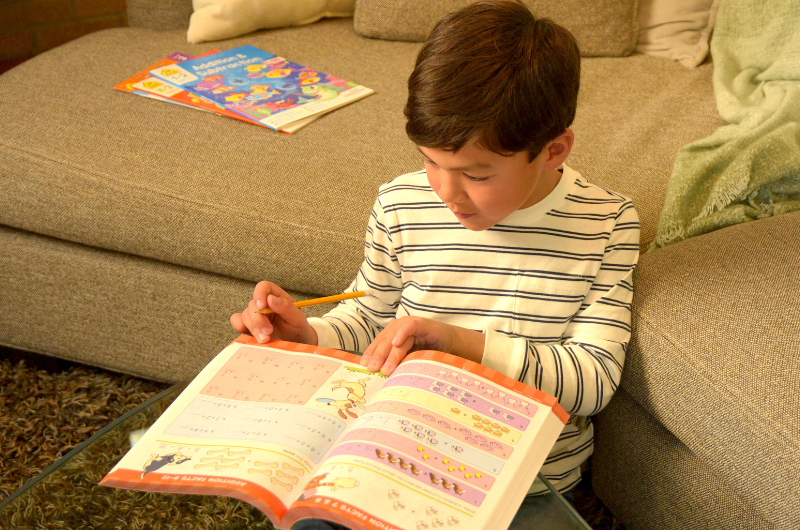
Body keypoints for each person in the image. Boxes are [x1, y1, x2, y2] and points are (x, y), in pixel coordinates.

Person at [230, 0, 639, 527]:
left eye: (477, 174)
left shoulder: (606, 224)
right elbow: (371, 319)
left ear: (554, 150)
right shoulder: (402, 205)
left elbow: (594, 380)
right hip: (392, 454)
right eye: (429, 161)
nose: (446, 192)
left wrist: (458, 344)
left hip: (520, 482)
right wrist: (308, 335)